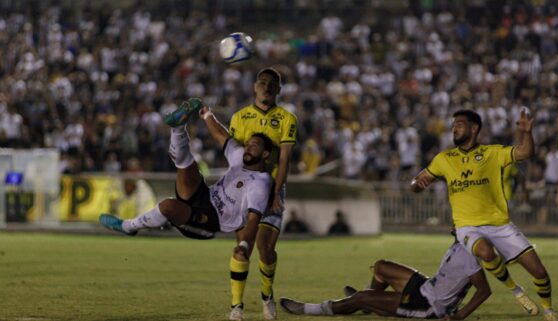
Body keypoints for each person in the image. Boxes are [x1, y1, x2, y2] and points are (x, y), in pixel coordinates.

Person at [99, 99, 274, 319]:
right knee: (186, 166)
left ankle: (128, 226)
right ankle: (178, 127)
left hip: (211, 221)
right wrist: (207, 115)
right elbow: (222, 137)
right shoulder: (240, 158)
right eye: (248, 143)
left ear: (266, 155)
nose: (248, 146)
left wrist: (245, 244)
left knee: (169, 206)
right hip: (205, 196)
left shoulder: (260, 182)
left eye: (254, 145)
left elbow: (253, 219)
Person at [411, 109, 558, 321]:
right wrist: (417, 184)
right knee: (486, 252)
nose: (454, 128)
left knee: (540, 272)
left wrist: (527, 133)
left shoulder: (492, 153)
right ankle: (515, 290)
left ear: (474, 128)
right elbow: (416, 182)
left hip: (500, 225)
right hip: (467, 226)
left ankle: (549, 309)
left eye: (460, 124)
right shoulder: (444, 158)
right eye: (453, 125)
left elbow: (526, 153)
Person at [280, 233, 491, 320]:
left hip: (427, 305)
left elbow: (484, 289)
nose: (453, 224)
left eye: (457, 221)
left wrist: (459, 315)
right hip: (426, 286)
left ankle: (313, 308)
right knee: (381, 267)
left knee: (361, 297)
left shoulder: (470, 254)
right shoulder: (460, 244)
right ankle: (369, 301)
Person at [227, 67, 298, 320]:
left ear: (279, 89)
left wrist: (276, 193)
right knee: (242, 246)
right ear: (255, 87)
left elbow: (286, 159)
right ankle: (237, 306)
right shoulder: (239, 117)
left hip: (271, 188)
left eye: (272, 84)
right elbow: (234, 157)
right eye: (263, 82)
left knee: (266, 248)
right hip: (244, 189)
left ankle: (267, 297)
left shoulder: (287, 119)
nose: (267, 87)